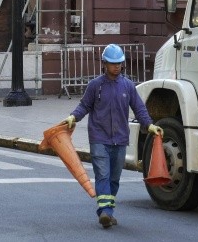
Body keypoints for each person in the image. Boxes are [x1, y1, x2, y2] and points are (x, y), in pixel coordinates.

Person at [62, 44, 163, 229]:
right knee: (103, 175)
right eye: (112, 63)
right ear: (104, 63)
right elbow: (84, 105)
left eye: (119, 63)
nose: (116, 66)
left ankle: (104, 211)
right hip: (99, 138)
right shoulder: (95, 86)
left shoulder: (128, 86)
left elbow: (139, 109)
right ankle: (107, 212)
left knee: (114, 179)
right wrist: (73, 116)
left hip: (120, 140)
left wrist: (150, 125)